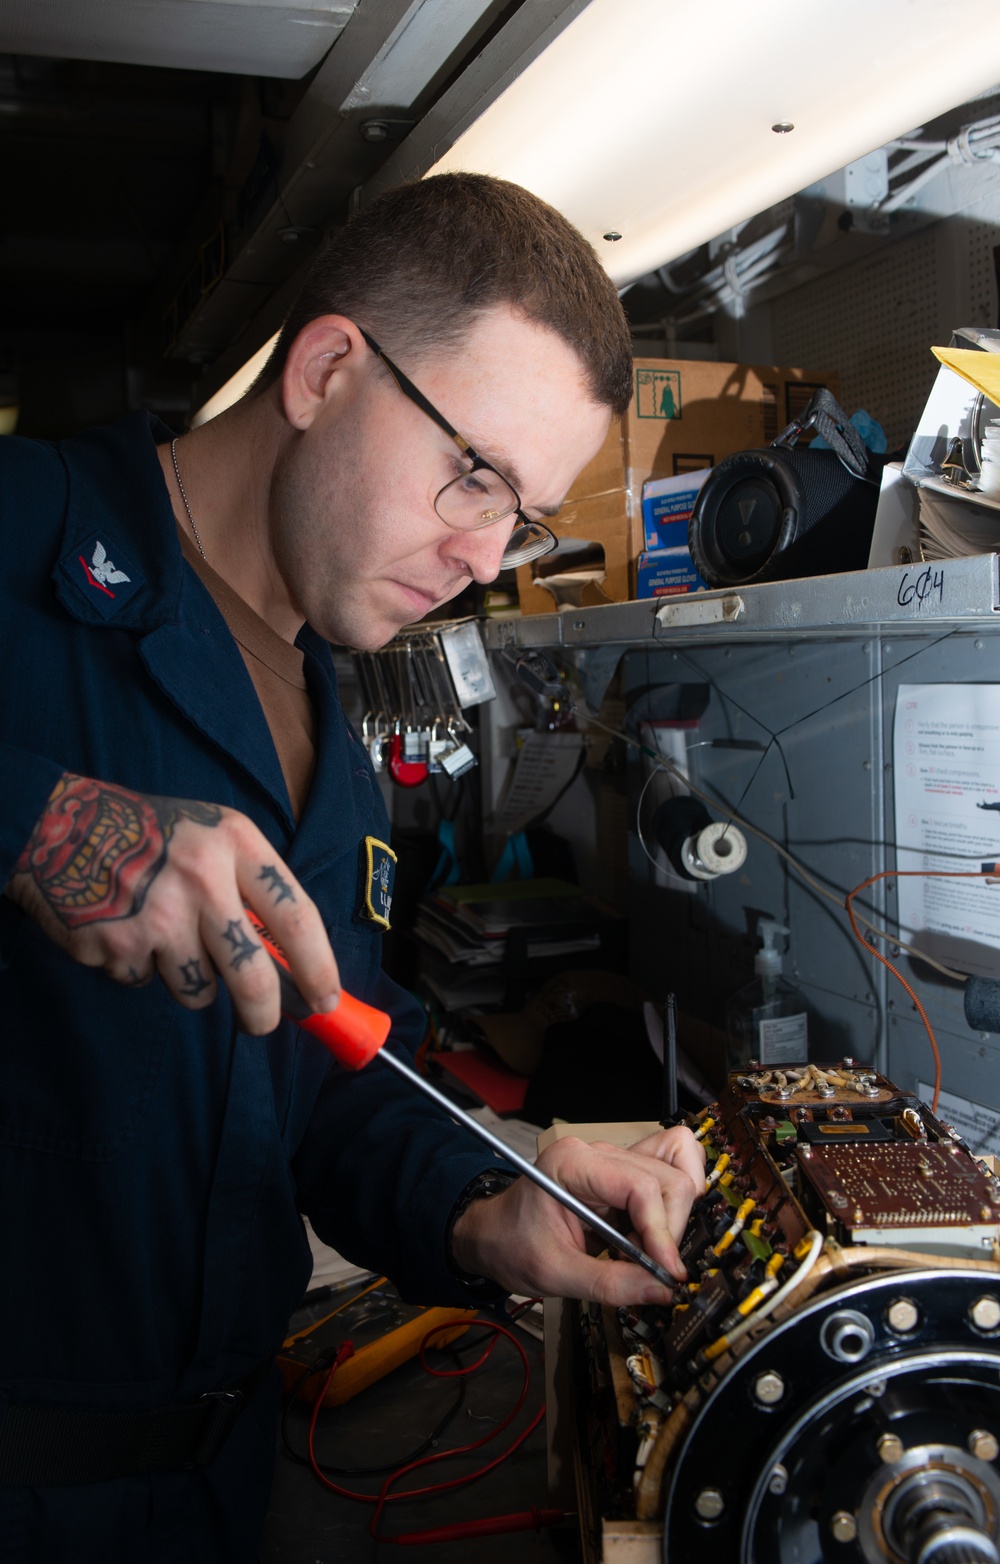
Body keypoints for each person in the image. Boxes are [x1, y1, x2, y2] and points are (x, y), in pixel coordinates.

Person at [0, 172, 704, 1561]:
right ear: (326, 368)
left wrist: (491, 1202)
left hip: (212, 1489)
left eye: (526, 517)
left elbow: (323, 1087)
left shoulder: (341, 723)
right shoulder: (22, 532)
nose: (482, 557)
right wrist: (37, 823)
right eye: (473, 475)